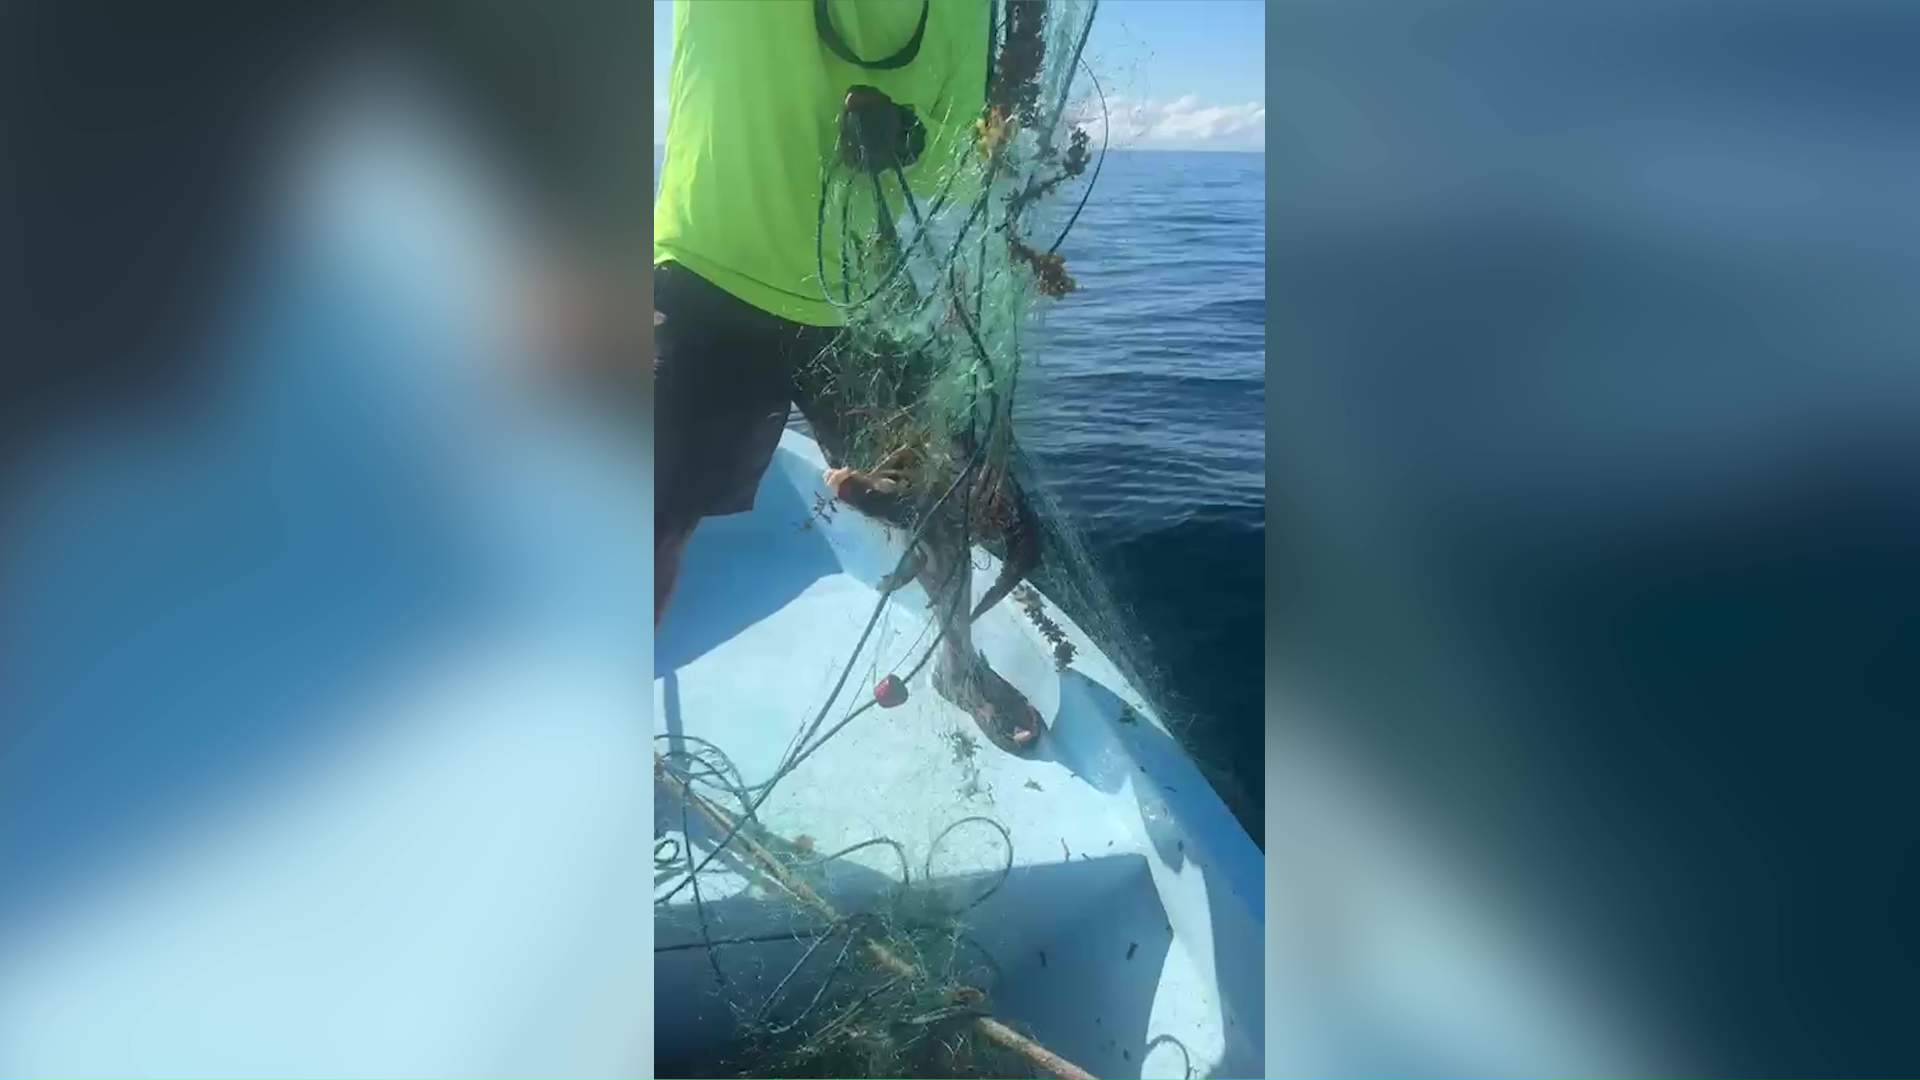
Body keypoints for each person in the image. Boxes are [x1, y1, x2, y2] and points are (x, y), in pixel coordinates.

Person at [653, 0, 1049, 752]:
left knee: (937, 505)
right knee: (646, 525)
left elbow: (957, 159)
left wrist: (912, 137)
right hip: (707, 274)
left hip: (857, 298)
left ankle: (957, 668)